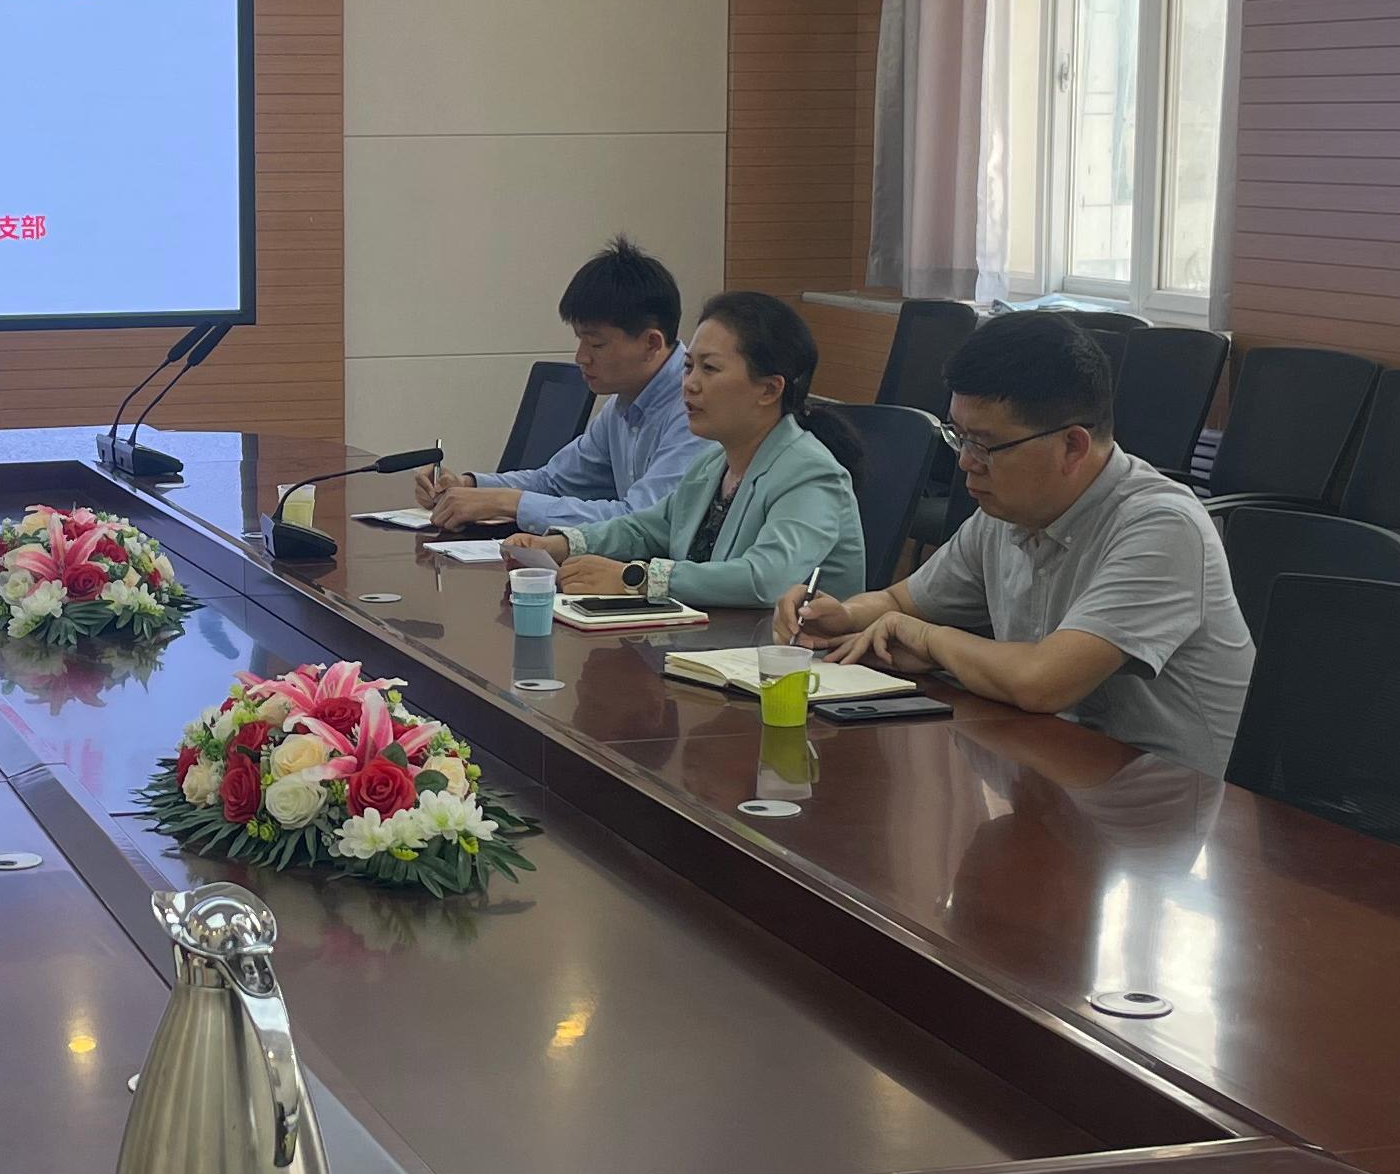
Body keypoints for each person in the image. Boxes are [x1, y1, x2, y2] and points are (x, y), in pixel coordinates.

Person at [776, 309, 1255, 773]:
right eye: (958, 437)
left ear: (1072, 446)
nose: (966, 462)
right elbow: (901, 601)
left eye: (984, 444)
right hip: (1055, 768)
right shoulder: (1007, 513)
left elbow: (1043, 681)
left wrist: (927, 638)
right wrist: (842, 616)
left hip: (1168, 798)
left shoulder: (1162, 527)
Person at [502, 289, 866, 611]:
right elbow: (645, 529)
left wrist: (635, 579)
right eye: (689, 367)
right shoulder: (712, 463)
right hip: (712, 649)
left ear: (769, 390)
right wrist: (563, 545)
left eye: (710, 369)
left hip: (794, 659)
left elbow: (765, 580)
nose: (690, 384)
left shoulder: (810, 473)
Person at [417, 238, 701, 535]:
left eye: (596, 344)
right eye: (580, 340)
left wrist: (506, 502)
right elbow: (554, 482)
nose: (581, 357)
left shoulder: (696, 408)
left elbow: (641, 521)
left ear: (651, 343)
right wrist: (468, 485)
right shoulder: (625, 403)